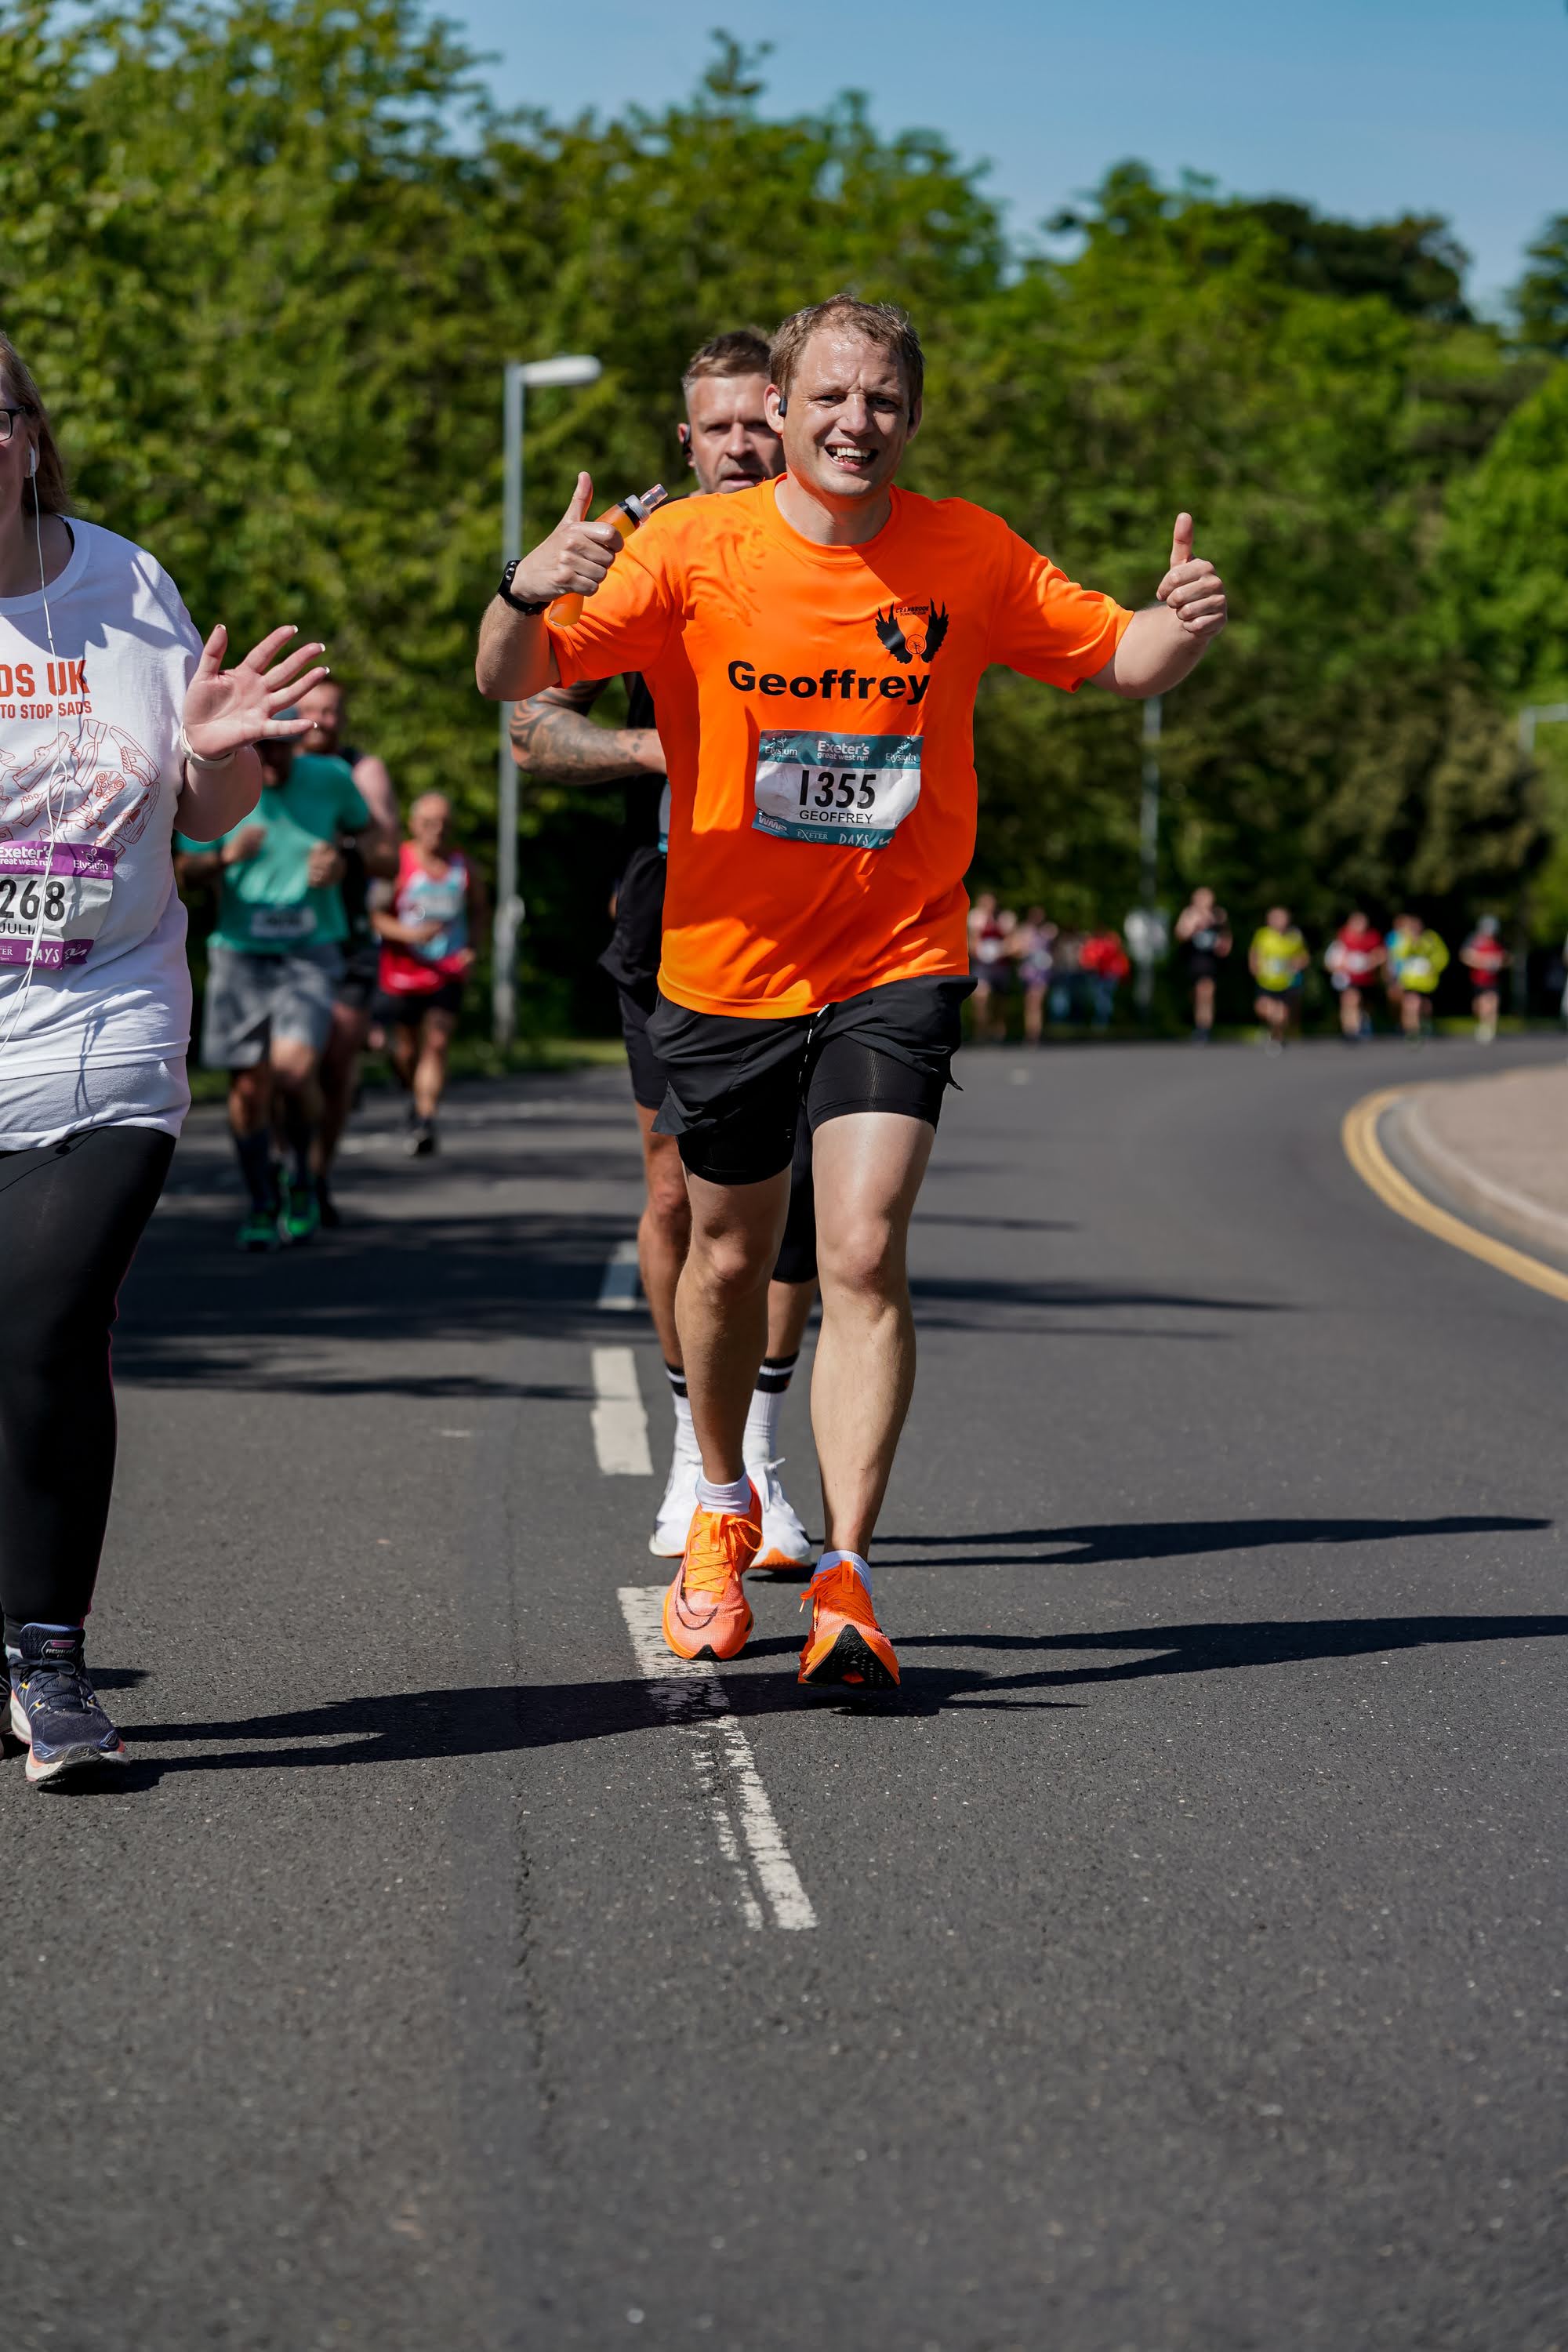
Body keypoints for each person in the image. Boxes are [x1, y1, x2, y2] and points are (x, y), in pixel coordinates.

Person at [478, 291, 1227, 1685]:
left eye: (882, 399)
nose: (855, 422)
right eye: (830, 397)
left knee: (865, 1249)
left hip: (898, 956)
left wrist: (1177, 626)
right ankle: (717, 1499)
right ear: (788, 407)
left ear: (913, 416)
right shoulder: (695, 547)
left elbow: (1118, 657)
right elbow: (510, 685)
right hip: (725, 966)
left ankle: (849, 1574)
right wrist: (530, 585)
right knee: (723, 1255)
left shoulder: (967, 549)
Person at [0, 328, 325, 1781]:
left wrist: (222, 748)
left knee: (49, 1325)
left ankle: (51, 1663)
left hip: (107, 1024)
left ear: (28, 435)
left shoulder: (124, 586)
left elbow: (200, 817)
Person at [508, 329, 815, 1572]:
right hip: (677, 902)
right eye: (720, 427)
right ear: (685, 442)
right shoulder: (641, 545)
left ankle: (766, 1469)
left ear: (789, 422)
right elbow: (532, 727)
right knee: (680, 1191)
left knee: (790, 1214)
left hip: (824, 908)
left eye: (762, 422)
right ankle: (699, 1454)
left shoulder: (839, 534)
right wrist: (654, 755)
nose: (745, 445)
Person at [174, 735, 395, 1247]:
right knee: (249, 1089)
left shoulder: (330, 777)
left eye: (281, 750)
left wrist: (344, 861)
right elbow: (186, 871)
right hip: (240, 952)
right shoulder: (214, 780)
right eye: (261, 750)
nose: (272, 761)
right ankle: (261, 1199)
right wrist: (226, 856)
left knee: (295, 1073)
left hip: (311, 950)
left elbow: (379, 848)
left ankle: (302, 1176)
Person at [292, 681, 399, 1224]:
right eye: (310, 711)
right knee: (284, 1070)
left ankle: (315, 1176)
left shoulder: (362, 770)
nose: (321, 721)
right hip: (278, 942)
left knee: (335, 1066)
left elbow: (387, 858)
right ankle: (283, 1169)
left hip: (348, 935)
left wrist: (345, 855)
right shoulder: (270, 765)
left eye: (331, 711)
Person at [369, 791, 486, 1153]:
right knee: (404, 1051)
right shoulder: (399, 863)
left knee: (436, 1044)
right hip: (402, 972)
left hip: (447, 972)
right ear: (413, 825)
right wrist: (410, 935)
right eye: (429, 823)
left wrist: (474, 950)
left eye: (444, 824)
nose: (437, 831)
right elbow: (376, 915)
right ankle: (412, 1092)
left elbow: (480, 909)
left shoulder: (463, 866)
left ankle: (425, 1118)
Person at [1174, 885, 1230, 1041]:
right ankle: (1198, 1022)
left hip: (1210, 961)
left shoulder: (1219, 915)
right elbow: (1180, 935)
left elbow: (1226, 940)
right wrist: (1195, 926)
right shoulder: (1189, 914)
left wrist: (1221, 944)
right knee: (1196, 994)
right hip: (1192, 958)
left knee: (1206, 991)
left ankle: (1204, 1028)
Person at [1249, 906, 1308, 1047]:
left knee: (1281, 1014)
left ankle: (1278, 1037)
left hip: (1286, 982)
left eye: (1282, 918)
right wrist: (1254, 966)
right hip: (1266, 981)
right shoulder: (1263, 935)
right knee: (1263, 1008)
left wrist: (1296, 964)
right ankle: (1273, 1032)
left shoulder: (1294, 936)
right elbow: (1254, 952)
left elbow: (1304, 957)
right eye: (1275, 918)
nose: (1279, 921)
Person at [1386, 910, 1448, 1041]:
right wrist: (1410, 943)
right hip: (1410, 981)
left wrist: (1433, 966)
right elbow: (1398, 956)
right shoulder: (1404, 939)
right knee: (1411, 1004)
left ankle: (1425, 1023)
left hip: (1427, 981)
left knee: (1424, 1005)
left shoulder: (1431, 938)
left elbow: (1442, 956)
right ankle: (1413, 1032)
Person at [1324, 909, 1385, 1040]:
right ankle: (1351, 1030)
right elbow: (1331, 962)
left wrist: (1370, 963)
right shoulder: (1342, 938)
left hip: (1367, 979)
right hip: (1348, 979)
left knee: (1364, 1005)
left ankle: (1363, 1024)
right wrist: (1343, 966)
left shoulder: (1372, 938)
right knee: (1350, 1000)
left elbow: (1381, 955)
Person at [967, 892, 1014, 1040]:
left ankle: (999, 1032)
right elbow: (971, 942)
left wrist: (1001, 950)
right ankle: (981, 1031)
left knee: (1000, 1002)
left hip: (1000, 965)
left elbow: (1012, 943)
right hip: (982, 966)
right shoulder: (974, 918)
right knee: (981, 997)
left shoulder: (1005, 918)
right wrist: (981, 951)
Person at [1460, 914, 1506, 1044]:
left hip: (1493, 981)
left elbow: (1505, 957)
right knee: (1479, 1006)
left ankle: (1489, 1029)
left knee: (1492, 1004)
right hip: (1478, 980)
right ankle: (1482, 1024)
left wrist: (1498, 963)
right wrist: (1481, 962)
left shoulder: (1498, 942)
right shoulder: (1474, 940)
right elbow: (1465, 956)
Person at [1014, 906, 1055, 1044]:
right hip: (1028, 972)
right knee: (1029, 1003)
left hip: (1042, 973)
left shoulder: (1048, 931)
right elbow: (1015, 951)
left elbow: (1054, 951)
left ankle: (1035, 1034)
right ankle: (1030, 1033)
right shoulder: (1024, 931)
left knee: (1036, 1002)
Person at [1080, 927, 1130, 1032]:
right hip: (1100, 975)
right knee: (1102, 999)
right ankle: (1101, 1021)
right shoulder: (1098, 944)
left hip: (1108, 975)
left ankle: (1101, 1022)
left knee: (1104, 999)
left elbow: (1102, 959)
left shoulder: (1108, 945)